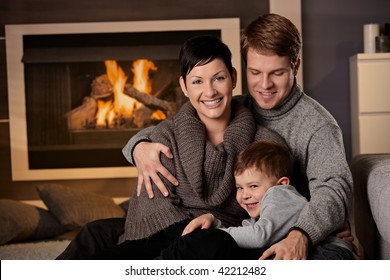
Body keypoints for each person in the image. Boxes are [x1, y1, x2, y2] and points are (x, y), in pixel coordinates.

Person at [124, 13, 355, 260]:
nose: (264, 85)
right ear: (241, 71)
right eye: (255, 72)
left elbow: (333, 189)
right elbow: (192, 119)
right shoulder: (240, 106)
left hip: (277, 228)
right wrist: (138, 145)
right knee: (97, 235)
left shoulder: (317, 125)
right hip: (231, 227)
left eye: (276, 73)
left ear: (295, 66)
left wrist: (303, 233)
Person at [56, 35, 284, 259]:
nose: (210, 91)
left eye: (218, 78)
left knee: (210, 241)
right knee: (94, 232)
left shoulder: (265, 144)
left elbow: (278, 208)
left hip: (219, 237)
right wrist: (138, 146)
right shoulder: (165, 135)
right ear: (184, 86)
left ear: (233, 78)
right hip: (164, 231)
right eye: (197, 81)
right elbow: (154, 202)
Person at [157, 141, 353, 260]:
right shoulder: (262, 214)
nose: (245, 195)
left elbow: (260, 236)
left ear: (281, 183)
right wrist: (216, 224)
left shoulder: (280, 195)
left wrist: (218, 234)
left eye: (253, 186)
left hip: (328, 254)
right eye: (239, 188)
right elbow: (249, 231)